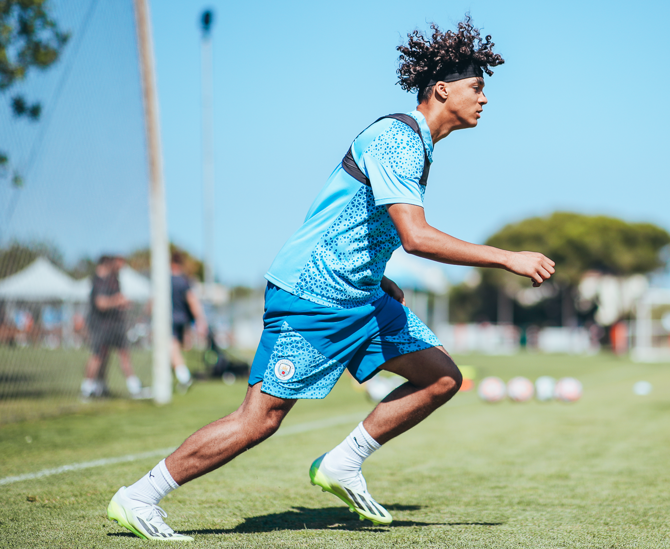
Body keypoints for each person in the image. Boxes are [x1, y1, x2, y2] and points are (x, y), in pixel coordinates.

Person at [106, 16, 555, 541]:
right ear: (442, 89)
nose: (484, 100)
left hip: (360, 295)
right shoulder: (397, 138)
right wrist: (509, 258)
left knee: (441, 377)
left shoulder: (421, 146)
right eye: (476, 88)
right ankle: (140, 497)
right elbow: (415, 235)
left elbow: (362, 221)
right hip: (312, 296)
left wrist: (377, 276)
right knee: (260, 420)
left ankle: (342, 464)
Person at [81, 255, 143, 399]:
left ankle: (131, 387)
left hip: (115, 325)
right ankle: (87, 389)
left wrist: (122, 303)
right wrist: (118, 301)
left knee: (122, 354)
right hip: (101, 325)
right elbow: (100, 303)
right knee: (98, 356)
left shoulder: (114, 280)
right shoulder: (98, 281)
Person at [170, 251, 207, 392]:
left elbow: (192, 300)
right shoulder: (184, 280)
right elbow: (193, 301)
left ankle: (184, 377)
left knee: (172, 348)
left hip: (171, 320)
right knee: (175, 349)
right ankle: (178, 375)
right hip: (182, 320)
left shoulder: (168, 280)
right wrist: (199, 319)